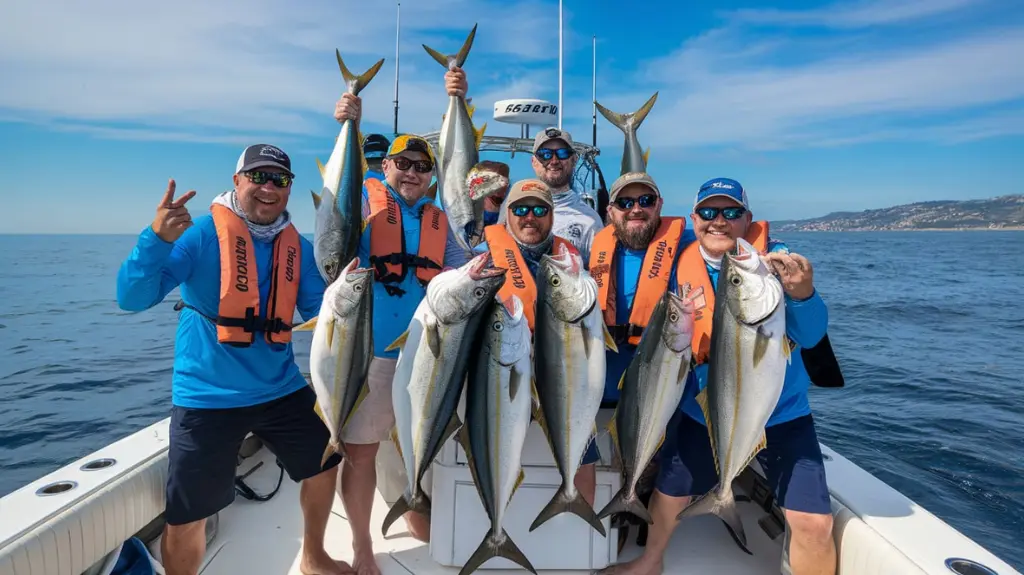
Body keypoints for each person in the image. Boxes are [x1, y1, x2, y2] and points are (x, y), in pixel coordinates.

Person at [115, 144, 349, 575]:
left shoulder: (298, 246)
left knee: (326, 462)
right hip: (207, 394)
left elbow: (324, 314)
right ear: (236, 181)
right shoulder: (200, 235)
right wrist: (156, 240)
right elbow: (132, 298)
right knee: (187, 514)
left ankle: (314, 556)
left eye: (279, 180)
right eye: (257, 176)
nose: (267, 187)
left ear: (289, 190)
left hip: (280, 387)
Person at [604, 177, 836, 575]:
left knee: (815, 525)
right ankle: (650, 562)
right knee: (669, 495)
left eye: (731, 212)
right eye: (709, 212)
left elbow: (811, 335)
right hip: (707, 410)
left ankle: (725, 495)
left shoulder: (774, 266)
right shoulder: (676, 265)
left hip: (783, 415)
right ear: (694, 218)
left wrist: (803, 295)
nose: (719, 221)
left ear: (748, 219)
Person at [331, 76, 470, 575]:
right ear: (384, 166)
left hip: (425, 358)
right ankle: (362, 546)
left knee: (423, 448)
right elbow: (333, 239)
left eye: (421, 166)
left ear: (432, 176)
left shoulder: (440, 219)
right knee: (362, 453)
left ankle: (414, 510)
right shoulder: (362, 203)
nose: (411, 173)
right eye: (402, 164)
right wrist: (349, 120)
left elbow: (464, 269)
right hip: (368, 355)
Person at [472, 178, 602, 504]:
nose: (530, 216)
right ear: (507, 215)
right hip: (505, 372)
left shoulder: (567, 260)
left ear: (552, 215)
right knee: (496, 446)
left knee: (584, 457)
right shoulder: (481, 256)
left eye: (540, 209)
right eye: (521, 208)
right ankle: (496, 518)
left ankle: (578, 525)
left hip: (563, 372)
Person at [446, 67, 605, 263]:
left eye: (562, 153)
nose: (554, 161)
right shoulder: (510, 205)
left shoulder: (590, 221)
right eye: (545, 154)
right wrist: (459, 95)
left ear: (574, 160)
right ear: (534, 162)